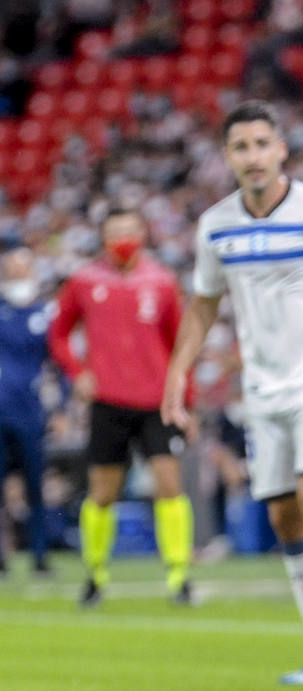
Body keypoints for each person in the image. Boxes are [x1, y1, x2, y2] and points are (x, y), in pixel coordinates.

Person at [161, 100, 303, 685]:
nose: (253, 156)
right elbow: (204, 304)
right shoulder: (217, 225)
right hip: (261, 386)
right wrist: (176, 376)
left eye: (262, 143)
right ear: (227, 156)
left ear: (281, 148)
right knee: (285, 516)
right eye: (241, 146)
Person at [48, 209, 195, 606]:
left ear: (143, 233)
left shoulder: (162, 282)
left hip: (156, 402)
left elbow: (180, 345)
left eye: (129, 231)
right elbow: (59, 334)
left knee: (169, 484)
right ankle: (95, 575)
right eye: (115, 232)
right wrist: (77, 372)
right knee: (102, 493)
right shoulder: (84, 281)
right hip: (108, 401)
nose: (123, 238)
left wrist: (188, 401)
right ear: (102, 237)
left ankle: (179, 577)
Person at [0, 245, 53, 577]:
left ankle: (39, 554)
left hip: (30, 413)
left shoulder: (46, 314)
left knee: (35, 486)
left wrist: (58, 406)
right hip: (2, 410)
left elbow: (58, 362)